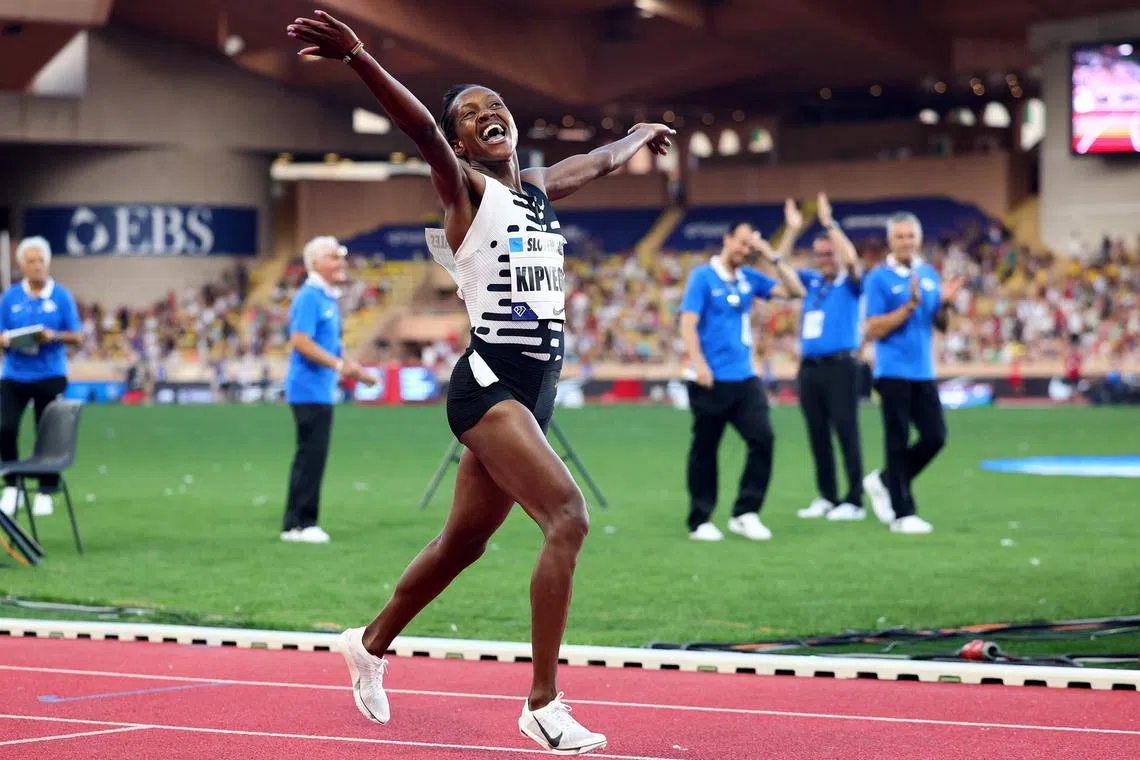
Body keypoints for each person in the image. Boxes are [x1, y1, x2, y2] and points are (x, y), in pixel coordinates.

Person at [287, 10, 675, 754]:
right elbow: (420, 130)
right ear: (460, 143)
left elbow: (597, 163)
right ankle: (543, 703)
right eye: (469, 114)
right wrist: (361, 55)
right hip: (489, 387)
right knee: (568, 517)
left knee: (462, 543)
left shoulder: (536, 190)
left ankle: (368, 644)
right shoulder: (463, 190)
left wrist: (637, 135)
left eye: (495, 105)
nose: (486, 114)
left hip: (535, 392)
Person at [678, 200, 806, 543]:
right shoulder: (703, 277)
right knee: (706, 448)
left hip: (745, 377)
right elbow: (688, 323)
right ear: (727, 239)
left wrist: (772, 252)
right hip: (709, 379)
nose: (746, 250)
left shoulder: (749, 278)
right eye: (742, 243)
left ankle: (746, 512)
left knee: (763, 439)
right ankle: (700, 519)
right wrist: (699, 363)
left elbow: (795, 291)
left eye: (751, 245)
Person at [861, 213, 964, 534]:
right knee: (897, 439)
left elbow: (942, 326)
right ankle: (903, 513)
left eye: (910, 236)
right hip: (892, 370)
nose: (906, 242)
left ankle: (885, 480)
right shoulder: (878, 278)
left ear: (918, 239)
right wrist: (909, 306)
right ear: (890, 241)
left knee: (935, 437)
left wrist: (945, 303)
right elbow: (874, 328)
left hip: (923, 370)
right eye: (900, 236)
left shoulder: (928, 274)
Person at [280, 235, 374, 544]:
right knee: (311, 456)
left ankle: (295, 523)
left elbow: (330, 346)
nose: (341, 262)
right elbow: (300, 341)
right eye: (334, 257)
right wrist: (338, 365)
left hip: (318, 388)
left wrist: (354, 370)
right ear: (316, 262)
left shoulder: (325, 298)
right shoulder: (310, 297)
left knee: (310, 455)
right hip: (308, 389)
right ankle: (303, 523)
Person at [793, 194, 867, 522]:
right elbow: (777, 267)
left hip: (841, 366)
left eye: (829, 253)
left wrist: (829, 224)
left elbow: (852, 261)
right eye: (820, 254)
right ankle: (827, 496)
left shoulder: (849, 284)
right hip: (810, 369)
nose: (824, 259)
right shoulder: (812, 283)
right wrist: (791, 231)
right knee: (817, 435)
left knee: (846, 431)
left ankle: (854, 499)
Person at [0, 236, 82, 518]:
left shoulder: (62, 296)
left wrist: (53, 336)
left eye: (41, 261)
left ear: (48, 263)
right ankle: (13, 485)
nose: (37, 266)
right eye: (31, 261)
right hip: (15, 374)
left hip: (50, 373)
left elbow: (77, 336)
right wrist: (7, 340)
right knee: (5, 428)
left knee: (48, 434)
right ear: (22, 265)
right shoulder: (10, 297)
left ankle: (46, 489)